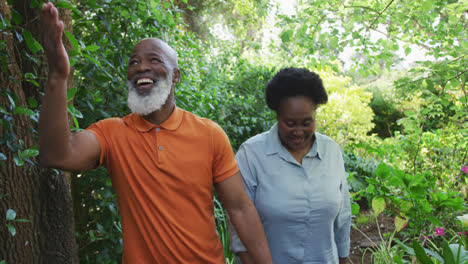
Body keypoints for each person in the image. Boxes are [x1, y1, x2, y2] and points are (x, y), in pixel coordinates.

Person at [39, 2, 272, 263]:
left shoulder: (209, 134)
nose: (141, 67)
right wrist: (58, 76)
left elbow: (240, 209)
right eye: (134, 62)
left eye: (154, 60)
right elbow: (57, 155)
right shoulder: (112, 133)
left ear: (176, 76)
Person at [228, 68, 351, 264]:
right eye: (290, 123)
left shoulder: (331, 151)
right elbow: (239, 226)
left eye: (306, 123)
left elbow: (343, 218)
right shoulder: (251, 154)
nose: (299, 132)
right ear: (277, 116)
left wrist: (343, 259)